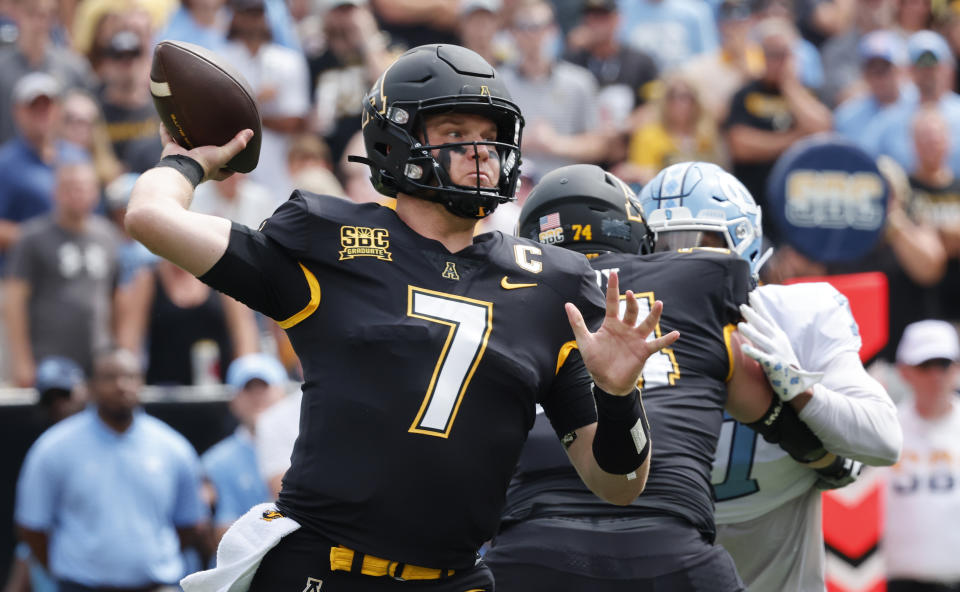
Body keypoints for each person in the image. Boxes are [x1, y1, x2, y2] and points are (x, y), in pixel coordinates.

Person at [126, 44, 678, 591]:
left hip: (454, 579)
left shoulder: (551, 284)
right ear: (397, 140)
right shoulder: (332, 242)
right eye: (455, 134)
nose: (481, 151)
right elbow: (152, 216)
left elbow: (618, 484)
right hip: (323, 568)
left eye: (489, 133)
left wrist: (618, 392)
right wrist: (186, 160)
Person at [487, 163, 842, 591]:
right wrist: (830, 462)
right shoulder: (698, 286)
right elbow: (781, 424)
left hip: (532, 548)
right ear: (635, 233)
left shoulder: (502, 303)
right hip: (671, 549)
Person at [637, 161, 903, 592]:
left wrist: (802, 390)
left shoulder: (795, 317)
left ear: (744, 246)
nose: (681, 265)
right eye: (664, 248)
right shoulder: (622, 336)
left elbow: (883, 441)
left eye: (700, 246)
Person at [14, 348, 208, 590]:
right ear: (91, 386)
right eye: (109, 377)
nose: (121, 385)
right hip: (81, 586)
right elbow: (32, 527)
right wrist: (66, 572)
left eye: (130, 376)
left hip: (156, 585)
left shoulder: (173, 447)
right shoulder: (53, 447)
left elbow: (190, 524)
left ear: (141, 382)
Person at [3, 160, 119, 384]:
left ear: (96, 193)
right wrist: (21, 360)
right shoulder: (32, 237)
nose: (77, 194)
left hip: (98, 355)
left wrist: (120, 349)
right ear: (55, 192)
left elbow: (116, 297)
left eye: (84, 187)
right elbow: (14, 302)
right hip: (47, 356)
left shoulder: (108, 236)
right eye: (69, 187)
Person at [724, 16, 833, 245]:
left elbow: (823, 131)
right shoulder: (745, 94)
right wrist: (795, 140)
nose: (778, 61)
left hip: (800, 209)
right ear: (761, 55)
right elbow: (740, 145)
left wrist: (790, 86)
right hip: (754, 205)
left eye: (784, 54)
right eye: (772, 54)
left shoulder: (807, 95)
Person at [884, 320, 960, 591]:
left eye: (944, 364)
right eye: (925, 366)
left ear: (957, 367)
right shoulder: (884, 430)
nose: (936, 376)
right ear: (904, 371)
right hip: (902, 581)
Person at [203, 353, 287, 543]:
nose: (257, 398)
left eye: (264, 388)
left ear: (282, 393)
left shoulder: (307, 453)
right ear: (233, 401)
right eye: (248, 389)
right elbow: (221, 535)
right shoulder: (215, 462)